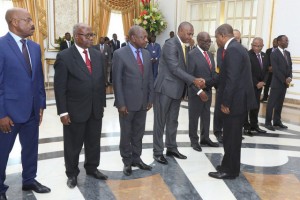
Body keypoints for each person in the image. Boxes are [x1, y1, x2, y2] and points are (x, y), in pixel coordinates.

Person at [0, 8, 51, 199]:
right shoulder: (1, 46)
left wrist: (40, 105)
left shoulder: (35, 47)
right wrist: (1, 114)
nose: (32, 23)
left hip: (31, 110)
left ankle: (29, 179)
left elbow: (38, 79)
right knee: (2, 152)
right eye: (27, 20)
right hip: (8, 114)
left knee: (30, 148)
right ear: (14, 22)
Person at [54, 23, 107, 189]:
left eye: (92, 35)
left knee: (93, 142)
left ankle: (92, 168)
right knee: (73, 144)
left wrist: (102, 104)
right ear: (76, 36)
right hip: (75, 109)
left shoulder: (97, 55)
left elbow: (100, 81)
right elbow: (60, 87)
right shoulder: (64, 56)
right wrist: (63, 112)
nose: (91, 38)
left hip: (95, 107)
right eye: (87, 35)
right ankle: (72, 173)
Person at [153, 22, 205, 165]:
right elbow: (174, 68)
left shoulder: (184, 46)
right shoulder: (171, 44)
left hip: (176, 91)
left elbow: (185, 69)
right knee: (160, 122)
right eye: (189, 33)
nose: (190, 36)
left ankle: (171, 148)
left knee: (173, 121)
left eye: (192, 34)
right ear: (180, 31)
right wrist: (194, 80)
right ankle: (158, 152)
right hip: (165, 89)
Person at [208, 24, 256, 179]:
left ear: (222, 35)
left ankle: (229, 171)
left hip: (235, 103)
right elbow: (225, 76)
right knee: (231, 137)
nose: (216, 41)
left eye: (216, 38)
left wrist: (225, 103)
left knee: (231, 138)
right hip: (238, 101)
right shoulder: (237, 47)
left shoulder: (233, 50)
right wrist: (208, 82)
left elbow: (232, 79)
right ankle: (228, 165)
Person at [113, 25, 154, 176]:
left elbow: (150, 77)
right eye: (143, 37)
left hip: (143, 103)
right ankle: (127, 161)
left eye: (146, 37)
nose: (146, 40)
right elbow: (116, 81)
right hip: (127, 104)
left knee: (139, 133)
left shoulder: (146, 53)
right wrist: (121, 103)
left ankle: (137, 158)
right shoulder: (119, 54)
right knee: (126, 134)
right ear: (133, 38)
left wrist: (150, 98)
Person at [188, 32, 219, 152]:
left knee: (206, 116)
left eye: (210, 41)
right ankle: (194, 141)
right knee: (194, 118)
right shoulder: (191, 54)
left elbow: (213, 74)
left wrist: (208, 85)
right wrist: (200, 91)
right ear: (199, 41)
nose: (208, 44)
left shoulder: (210, 55)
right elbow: (189, 77)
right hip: (196, 93)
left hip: (208, 91)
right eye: (205, 41)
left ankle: (205, 138)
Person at [264, 35, 292, 131]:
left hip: (284, 83)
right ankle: (268, 122)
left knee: (280, 103)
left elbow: (290, 67)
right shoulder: (274, 53)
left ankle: (277, 121)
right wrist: (284, 79)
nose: (287, 42)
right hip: (277, 83)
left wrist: (289, 77)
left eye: (287, 40)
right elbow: (275, 69)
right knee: (271, 103)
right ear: (279, 42)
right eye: (285, 40)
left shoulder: (287, 53)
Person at [246, 37, 268, 135]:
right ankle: (246, 127)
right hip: (250, 85)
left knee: (256, 106)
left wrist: (263, 82)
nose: (256, 48)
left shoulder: (265, 55)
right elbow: (248, 72)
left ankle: (254, 125)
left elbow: (267, 70)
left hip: (260, 85)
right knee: (248, 106)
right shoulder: (248, 55)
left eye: (258, 46)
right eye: (254, 45)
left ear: (262, 46)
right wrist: (256, 83)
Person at [213, 46, 223, 143]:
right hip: (222, 83)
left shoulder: (241, 50)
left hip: (235, 86)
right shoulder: (221, 50)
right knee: (219, 109)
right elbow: (221, 65)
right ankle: (218, 131)